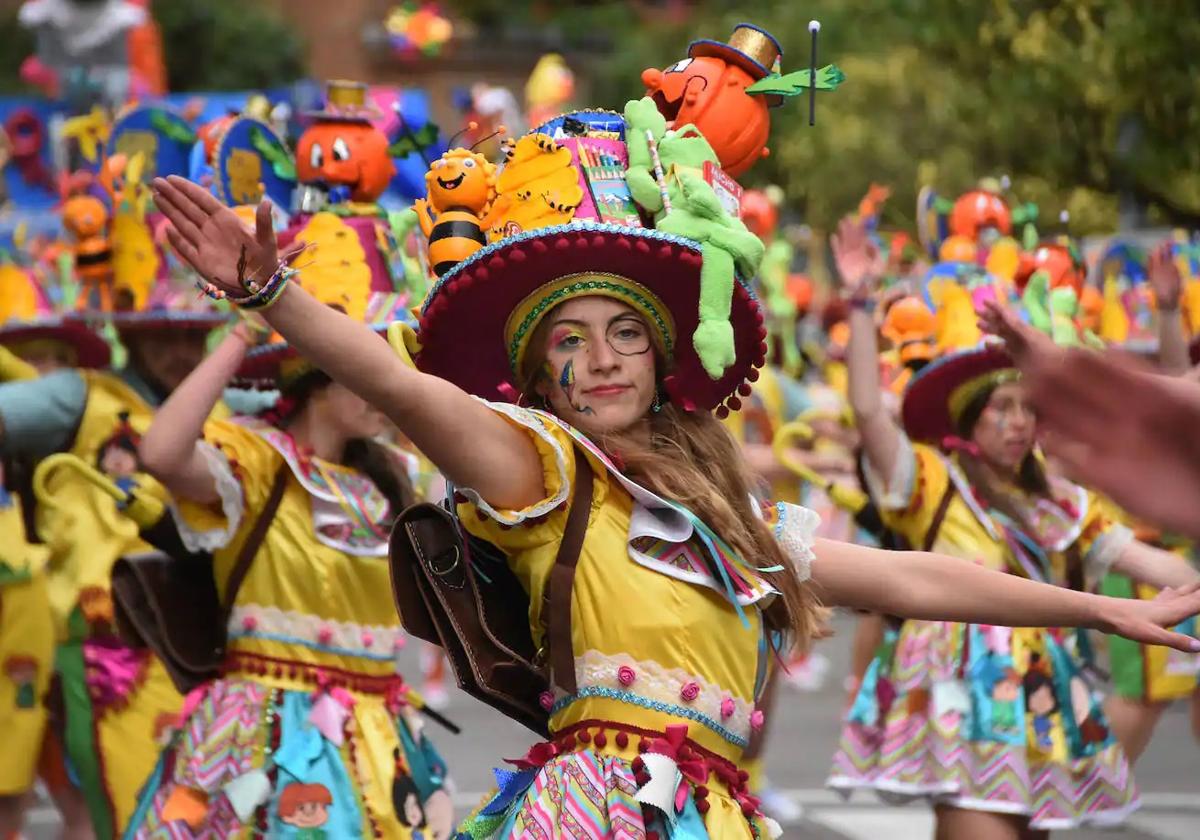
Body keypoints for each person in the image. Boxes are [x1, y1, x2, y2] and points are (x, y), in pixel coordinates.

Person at [151, 132, 1200, 840]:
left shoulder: (732, 528)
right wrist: (268, 290)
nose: (601, 359)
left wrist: (1101, 606)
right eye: (571, 341)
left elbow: (917, 578)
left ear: (663, 365)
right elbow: (395, 382)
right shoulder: (544, 470)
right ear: (540, 373)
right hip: (599, 805)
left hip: (712, 811)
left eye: (624, 337)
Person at [826, 214, 1200, 838]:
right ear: (969, 418)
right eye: (1001, 408)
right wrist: (862, 304)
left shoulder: (1056, 499)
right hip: (957, 704)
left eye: (1029, 410)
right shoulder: (929, 481)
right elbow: (868, 409)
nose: (1017, 424)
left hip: (1040, 704)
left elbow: (1154, 566)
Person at [122, 287, 452, 837]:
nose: (385, 380)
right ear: (315, 375)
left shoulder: (401, 473)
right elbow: (159, 454)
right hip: (253, 731)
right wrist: (245, 330)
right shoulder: (254, 458)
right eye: (364, 362)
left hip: (375, 733)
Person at [0, 273, 227, 839]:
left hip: (206, 642)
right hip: (109, 646)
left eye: (193, 338)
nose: (181, 353)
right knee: (120, 814)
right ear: (133, 338)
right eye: (163, 338)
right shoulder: (81, 395)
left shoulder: (223, 401)